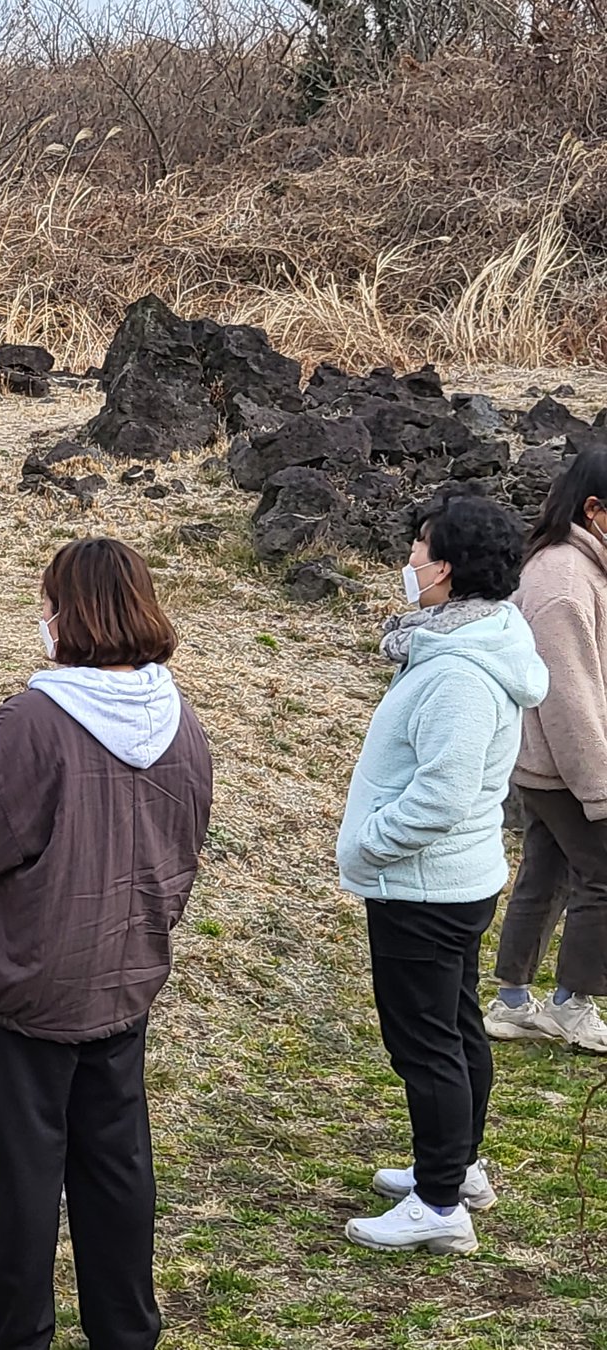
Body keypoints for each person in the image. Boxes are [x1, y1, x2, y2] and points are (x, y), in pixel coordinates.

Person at [0, 537, 211, 1350]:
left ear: (71, 614)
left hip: (30, 977)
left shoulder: (35, 721)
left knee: (29, 1162)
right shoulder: (180, 717)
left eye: (47, 601)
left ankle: (19, 1336)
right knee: (117, 1159)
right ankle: (126, 1331)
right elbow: (186, 842)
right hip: (127, 972)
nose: (40, 616)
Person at [338, 493, 547, 1254]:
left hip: (424, 887)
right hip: (456, 881)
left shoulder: (460, 672)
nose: (410, 564)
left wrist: (370, 845)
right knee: (456, 1031)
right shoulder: (482, 638)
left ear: (448, 569)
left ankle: (437, 1205)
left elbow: (442, 792)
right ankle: (456, 1169)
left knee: (426, 1045)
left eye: (420, 550)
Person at [486, 450, 607, 1053]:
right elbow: (571, 698)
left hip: (546, 761)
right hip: (563, 764)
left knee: (547, 872)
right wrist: (600, 790)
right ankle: (572, 1003)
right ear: (594, 509)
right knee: (603, 874)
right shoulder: (565, 582)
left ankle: (511, 1000)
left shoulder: (569, 566)